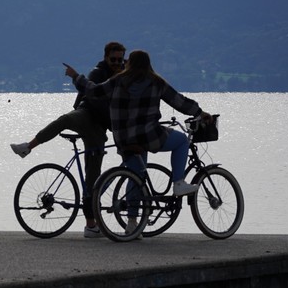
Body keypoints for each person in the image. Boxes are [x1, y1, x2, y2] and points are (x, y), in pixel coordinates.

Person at [9, 41, 125, 237]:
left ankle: (91, 225)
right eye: (113, 59)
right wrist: (75, 80)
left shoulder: (125, 72)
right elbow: (89, 91)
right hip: (86, 114)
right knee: (64, 120)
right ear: (106, 57)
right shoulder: (98, 73)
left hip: (99, 129)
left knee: (92, 180)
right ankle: (28, 147)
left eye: (120, 59)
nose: (116, 62)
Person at [72, 49, 209, 210]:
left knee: (136, 176)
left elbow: (94, 91)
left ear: (129, 63)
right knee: (182, 141)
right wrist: (200, 112)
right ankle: (178, 183)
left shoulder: (118, 80)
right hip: (149, 136)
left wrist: (76, 77)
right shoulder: (156, 82)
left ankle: (132, 225)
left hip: (124, 139)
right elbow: (179, 102)